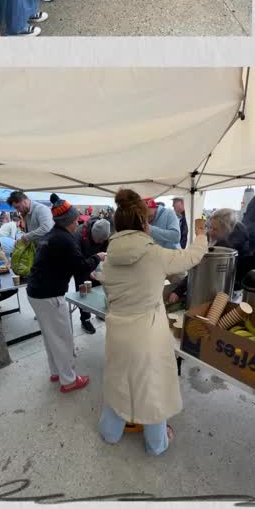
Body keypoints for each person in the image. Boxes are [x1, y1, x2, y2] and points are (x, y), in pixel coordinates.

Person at [96, 188, 208, 455]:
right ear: (144, 223)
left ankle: (110, 433)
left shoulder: (110, 259)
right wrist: (202, 236)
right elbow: (191, 257)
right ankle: (157, 444)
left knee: (119, 382)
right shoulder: (155, 254)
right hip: (147, 332)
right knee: (152, 388)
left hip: (116, 331)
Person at [25, 198, 90, 392]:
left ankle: (56, 372)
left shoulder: (50, 235)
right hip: (49, 294)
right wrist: (98, 258)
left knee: (50, 335)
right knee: (62, 337)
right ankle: (69, 380)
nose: (78, 222)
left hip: (35, 292)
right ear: (69, 221)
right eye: (76, 219)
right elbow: (81, 267)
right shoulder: (65, 239)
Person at [71, 217, 111, 334]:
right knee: (84, 294)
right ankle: (85, 319)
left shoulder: (105, 235)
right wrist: (88, 272)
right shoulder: (78, 236)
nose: (100, 243)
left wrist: (99, 269)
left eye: (102, 241)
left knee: (100, 291)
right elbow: (77, 262)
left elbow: (105, 255)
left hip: (96, 264)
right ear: (92, 234)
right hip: (81, 267)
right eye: (98, 240)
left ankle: (99, 312)